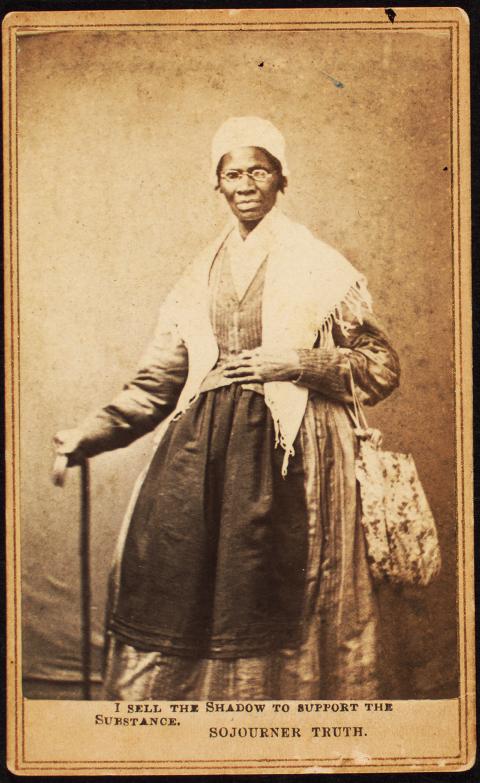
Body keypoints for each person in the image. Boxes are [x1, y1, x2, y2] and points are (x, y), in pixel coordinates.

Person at [54, 116, 400, 700]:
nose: (245, 185)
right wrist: (90, 434)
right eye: (232, 174)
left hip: (301, 451)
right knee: (184, 578)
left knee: (282, 582)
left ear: (279, 180)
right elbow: (159, 380)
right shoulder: (200, 273)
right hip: (206, 455)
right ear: (217, 185)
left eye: (258, 171)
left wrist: (296, 362)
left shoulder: (320, 266)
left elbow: (381, 367)